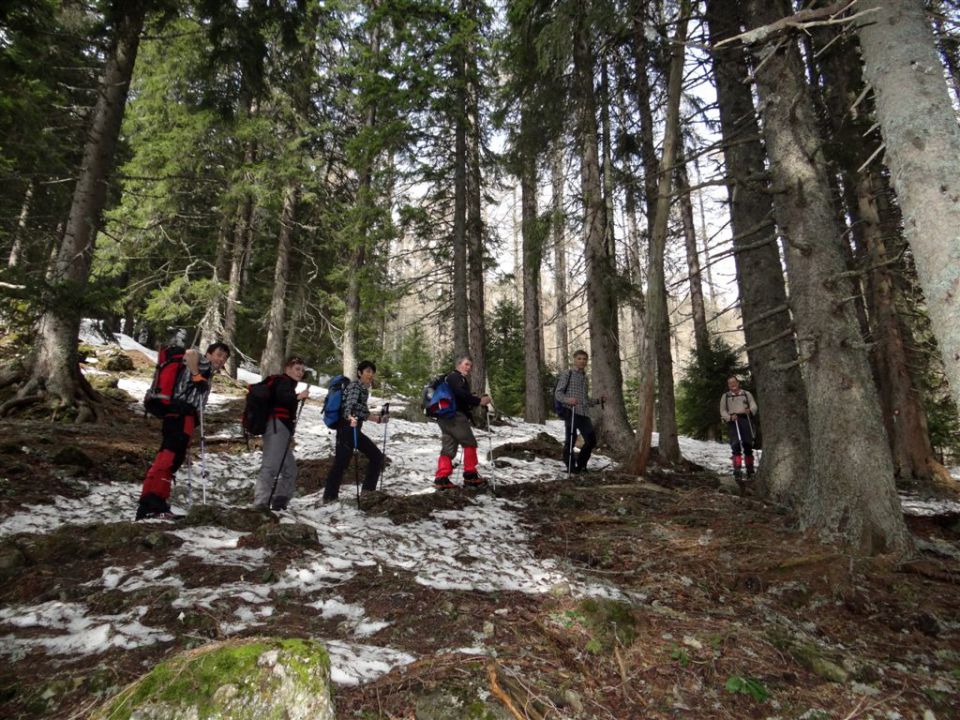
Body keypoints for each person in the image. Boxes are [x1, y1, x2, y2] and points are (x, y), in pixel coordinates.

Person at [136, 342, 231, 520]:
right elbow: (190, 353)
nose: (221, 359)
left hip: (180, 416)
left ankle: (152, 504)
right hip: (181, 414)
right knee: (170, 458)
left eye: (224, 357)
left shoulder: (208, 370)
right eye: (219, 354)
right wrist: (196, 376)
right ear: (209, 354)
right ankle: (153, 505)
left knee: (169, 457)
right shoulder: (203, 362)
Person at [322, 360, 387, 503]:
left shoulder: (363, 389)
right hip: (347, 428)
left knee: (375, 457)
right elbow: (349, 406)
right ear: (360, 373)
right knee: (341, 463)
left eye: (372, 372)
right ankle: (329, 497)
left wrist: (377, 419)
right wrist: (350, 417)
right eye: (368, 371)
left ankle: (367, 493)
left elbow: (359, 409)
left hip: (353, 429)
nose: (371, 375)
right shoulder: (355, 387)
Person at [252, 356, 311, 511]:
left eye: (302, 370)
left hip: (281, 428)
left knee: (290, 469)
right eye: (297, 369)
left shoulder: (286, 384)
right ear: (287, 369)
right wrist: (298, 397)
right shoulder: (282, 381)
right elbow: (283, 397)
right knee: (270, 466)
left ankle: (280, 502)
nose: (300, 372)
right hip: (277, 426)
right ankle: (260, 505)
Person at [434, 354, 492, 490]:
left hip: (444, 417)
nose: (469, 368)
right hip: (455, 417)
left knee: (448, 447)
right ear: (458, 364)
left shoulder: (449, 378)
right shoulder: (456, 377)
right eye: (466, 364)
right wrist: (479, 401)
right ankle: (470, 476)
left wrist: (472, 400)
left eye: (470, 365)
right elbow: (460, 394)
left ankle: (441, 478)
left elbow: (459, 396)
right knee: (469, 442)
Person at [555, 349, 602, 474]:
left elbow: (584, 400)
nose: (582, 361)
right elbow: (558, 393)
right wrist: (568, 400)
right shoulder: (567, 374)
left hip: (584, 413)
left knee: (591, 440)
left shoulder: (585, 378)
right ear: (574, 360)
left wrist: (598, 401)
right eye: (579, 358)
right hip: (570, 411)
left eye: (584, 359)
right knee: (570, 440)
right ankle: (570, 467)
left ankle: (581, 465)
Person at [720, 375, 758, 485]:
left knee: (747, 444)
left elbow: (754, 406)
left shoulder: (746, 394)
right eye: (730, 383)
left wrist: (750, 410)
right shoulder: (726, 396)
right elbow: (722, 410)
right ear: (728, 385)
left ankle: (750, 470)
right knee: (735, 445)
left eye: (734, 383)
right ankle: (737, 470)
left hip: (745, 419)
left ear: (738, 383)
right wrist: (729, 417)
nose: (733, 385)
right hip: (733, 421)